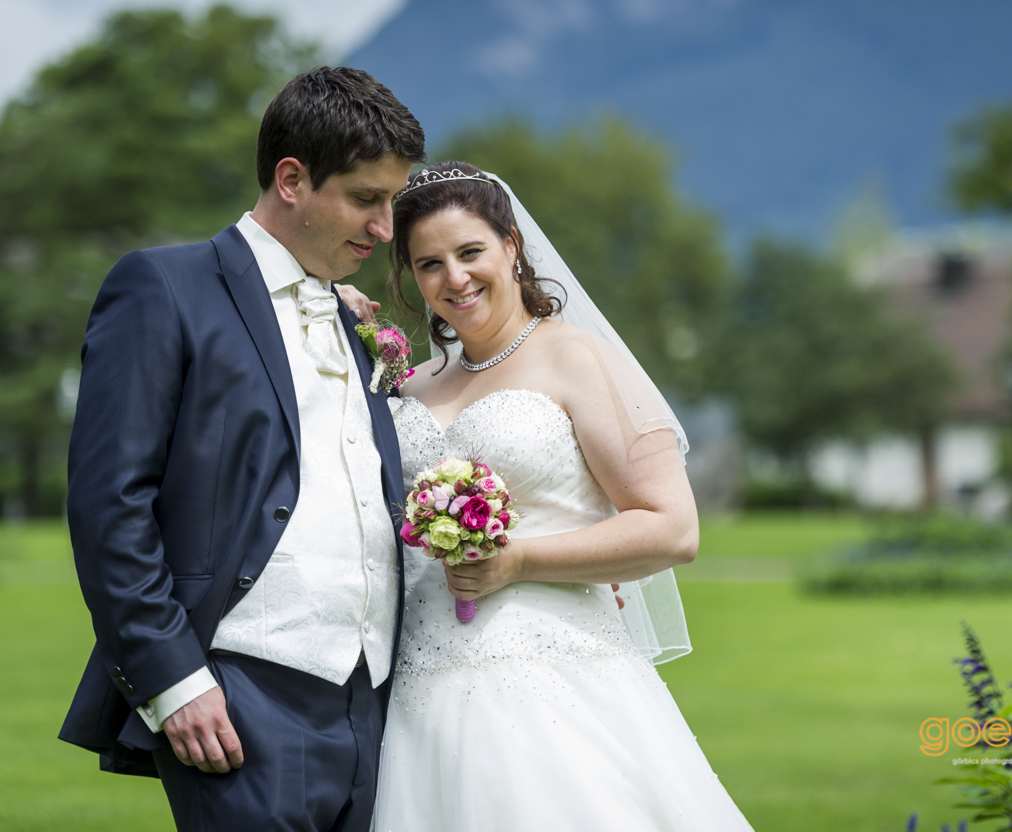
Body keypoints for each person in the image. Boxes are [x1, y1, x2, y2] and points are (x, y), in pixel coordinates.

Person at [58, 66, 425, 832]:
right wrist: (174, 680)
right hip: (238, 692)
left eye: (392, 201)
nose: (387, 229)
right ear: (292, 179)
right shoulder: (163, 287)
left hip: (380, 697)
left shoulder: (357, 320)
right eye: (366, 199)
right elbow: (109, 503)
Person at [371, 161, 754, 831]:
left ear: (511, 246)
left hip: (552, 683)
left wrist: (517, 560)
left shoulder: (577, 358)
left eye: (470, 252)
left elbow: (672, 529)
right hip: (414, 691)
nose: (453, 278)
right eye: (429, 264)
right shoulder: (410, 385)